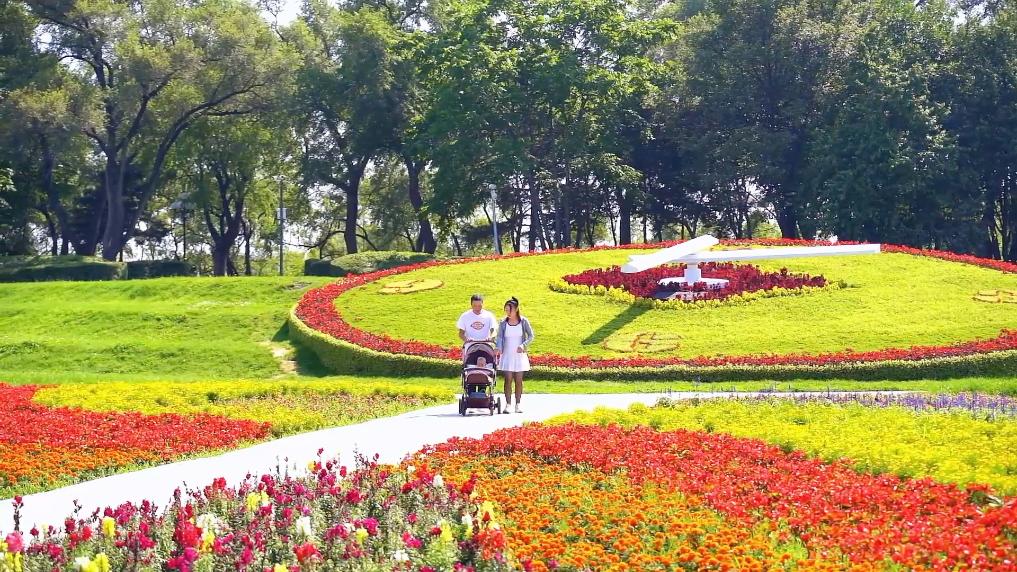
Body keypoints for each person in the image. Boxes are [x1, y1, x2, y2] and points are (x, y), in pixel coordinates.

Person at [495, 297, 534, 414]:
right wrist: (498, 347)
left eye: (509, 310)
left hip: (519, 355)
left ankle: (518, 404)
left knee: (518, 380)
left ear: (516, 309)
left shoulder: (523, 321)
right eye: (506, 310)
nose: (507, 313)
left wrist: (523, 345)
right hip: (507, 354)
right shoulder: (503, 323)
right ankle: (508, 404)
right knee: (508, 379)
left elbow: (531, 336)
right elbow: (499, 337)